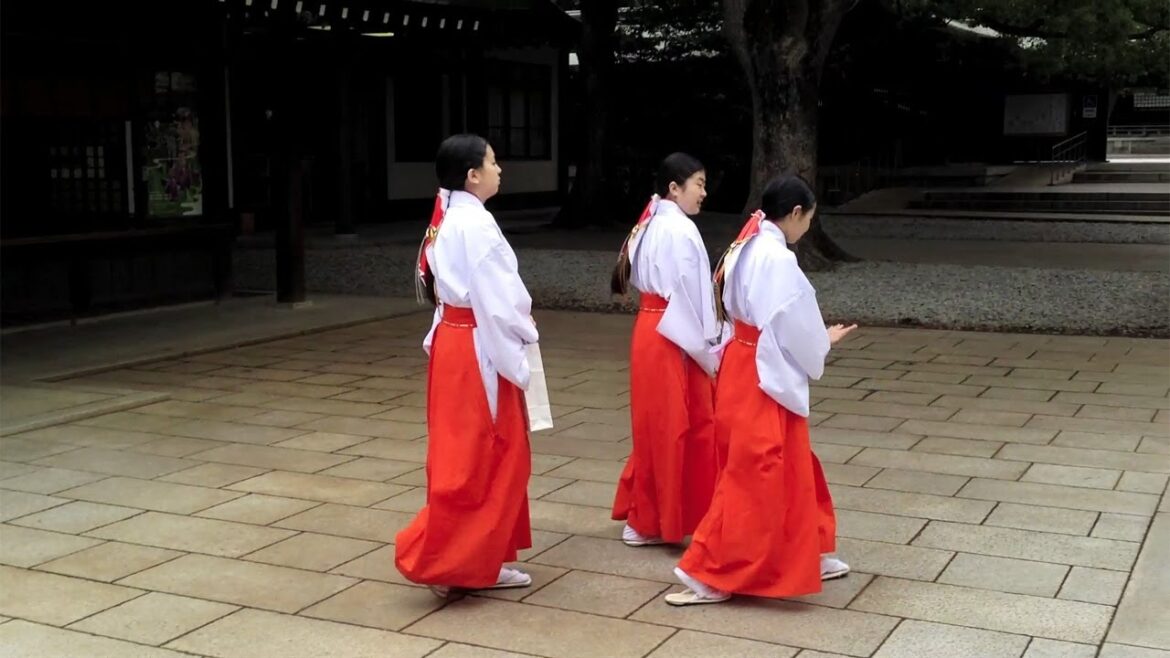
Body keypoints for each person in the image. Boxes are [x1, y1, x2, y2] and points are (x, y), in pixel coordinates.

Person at [667, 174, 856, 606]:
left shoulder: (746, 244)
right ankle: (714, 570)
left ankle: (807, 547)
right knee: (756, 471)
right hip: (762, 372)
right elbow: (794, 324)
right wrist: (821, 342)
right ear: (794, 214)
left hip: (744, 360)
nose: (806, 227)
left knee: (784, 463)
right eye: (807, 218)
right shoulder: (775, 257)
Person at [395, 134, 538, 598]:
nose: (501, 170)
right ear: (472, 174)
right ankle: (463, 558)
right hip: (479, 343)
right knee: (493, 455)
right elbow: (498, 302)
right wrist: (522, 352)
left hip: (455, 342)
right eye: (494, 163)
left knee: (461, 455)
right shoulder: (475, 225)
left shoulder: (449, 220)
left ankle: (469, 555)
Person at [610, 152, 722, 548]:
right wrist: (711, 348)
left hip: (653, 328)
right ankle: (653, 518)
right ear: (674, 188)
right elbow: (693, 297)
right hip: (675, 332)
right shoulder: (679, 230)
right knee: (678, 427)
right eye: (699, 184)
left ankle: (650, 511)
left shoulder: (652, 222)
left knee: (657, 426)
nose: (704, 193)